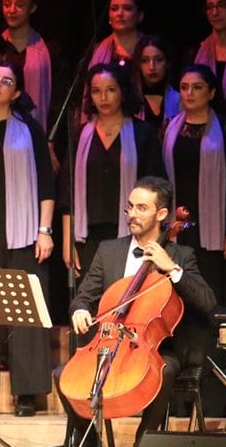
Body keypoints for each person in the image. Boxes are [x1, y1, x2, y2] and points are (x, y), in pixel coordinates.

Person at [54, 176, 217, 447]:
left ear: (162, 214)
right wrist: (80, 309)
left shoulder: (181, 254)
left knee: (162, 372)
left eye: (142, 208)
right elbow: (84, 296)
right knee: (62, 375)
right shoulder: (108, 251)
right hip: (108, 345)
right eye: (130, 207)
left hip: (157, 348)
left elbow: (207, 301)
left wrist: (172, 269)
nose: (132, 214)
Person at [0, 61, 55, 416]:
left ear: (16, 92)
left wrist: (44, 230)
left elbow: (47, 182)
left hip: (25, 232)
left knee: (26, 312)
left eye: (7, 80)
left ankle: (28, 393)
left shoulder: (29, 128)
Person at [60, 64, 163, 285]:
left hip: (132, 233)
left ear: (123, 92)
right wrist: (68, 241)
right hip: (86, 236)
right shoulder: (79, 135)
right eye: (96, 91)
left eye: (111, 89)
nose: (103, 97)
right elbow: (67, 193)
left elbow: (157, 188)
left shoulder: (142, 133)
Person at [162, 65, 226, 310]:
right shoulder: (171, 127)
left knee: (210, 288)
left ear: (211, 93)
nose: (189, 93)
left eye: (197, 87)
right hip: (180, 223)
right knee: (178, 286)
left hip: (214, 225)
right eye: (184, 87)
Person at [0, 0, 55, 125]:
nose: (12, 10)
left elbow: (57, 98)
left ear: (32, 8)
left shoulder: (48, 50)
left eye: (20, 5)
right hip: (1, 126)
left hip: (35, 130)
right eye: (7, 4)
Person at [89, 0, 146, 75]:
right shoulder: (97, 51)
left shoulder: (150, 50)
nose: (119, 13)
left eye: (127, 8)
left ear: (140, 16)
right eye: (114, 9)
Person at [133, 35, 180, 127]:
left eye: (159, 60)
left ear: (168, 63)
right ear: (138, 65)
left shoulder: (179, 99)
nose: (152, 67)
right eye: (144, 60)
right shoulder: (130, 100)